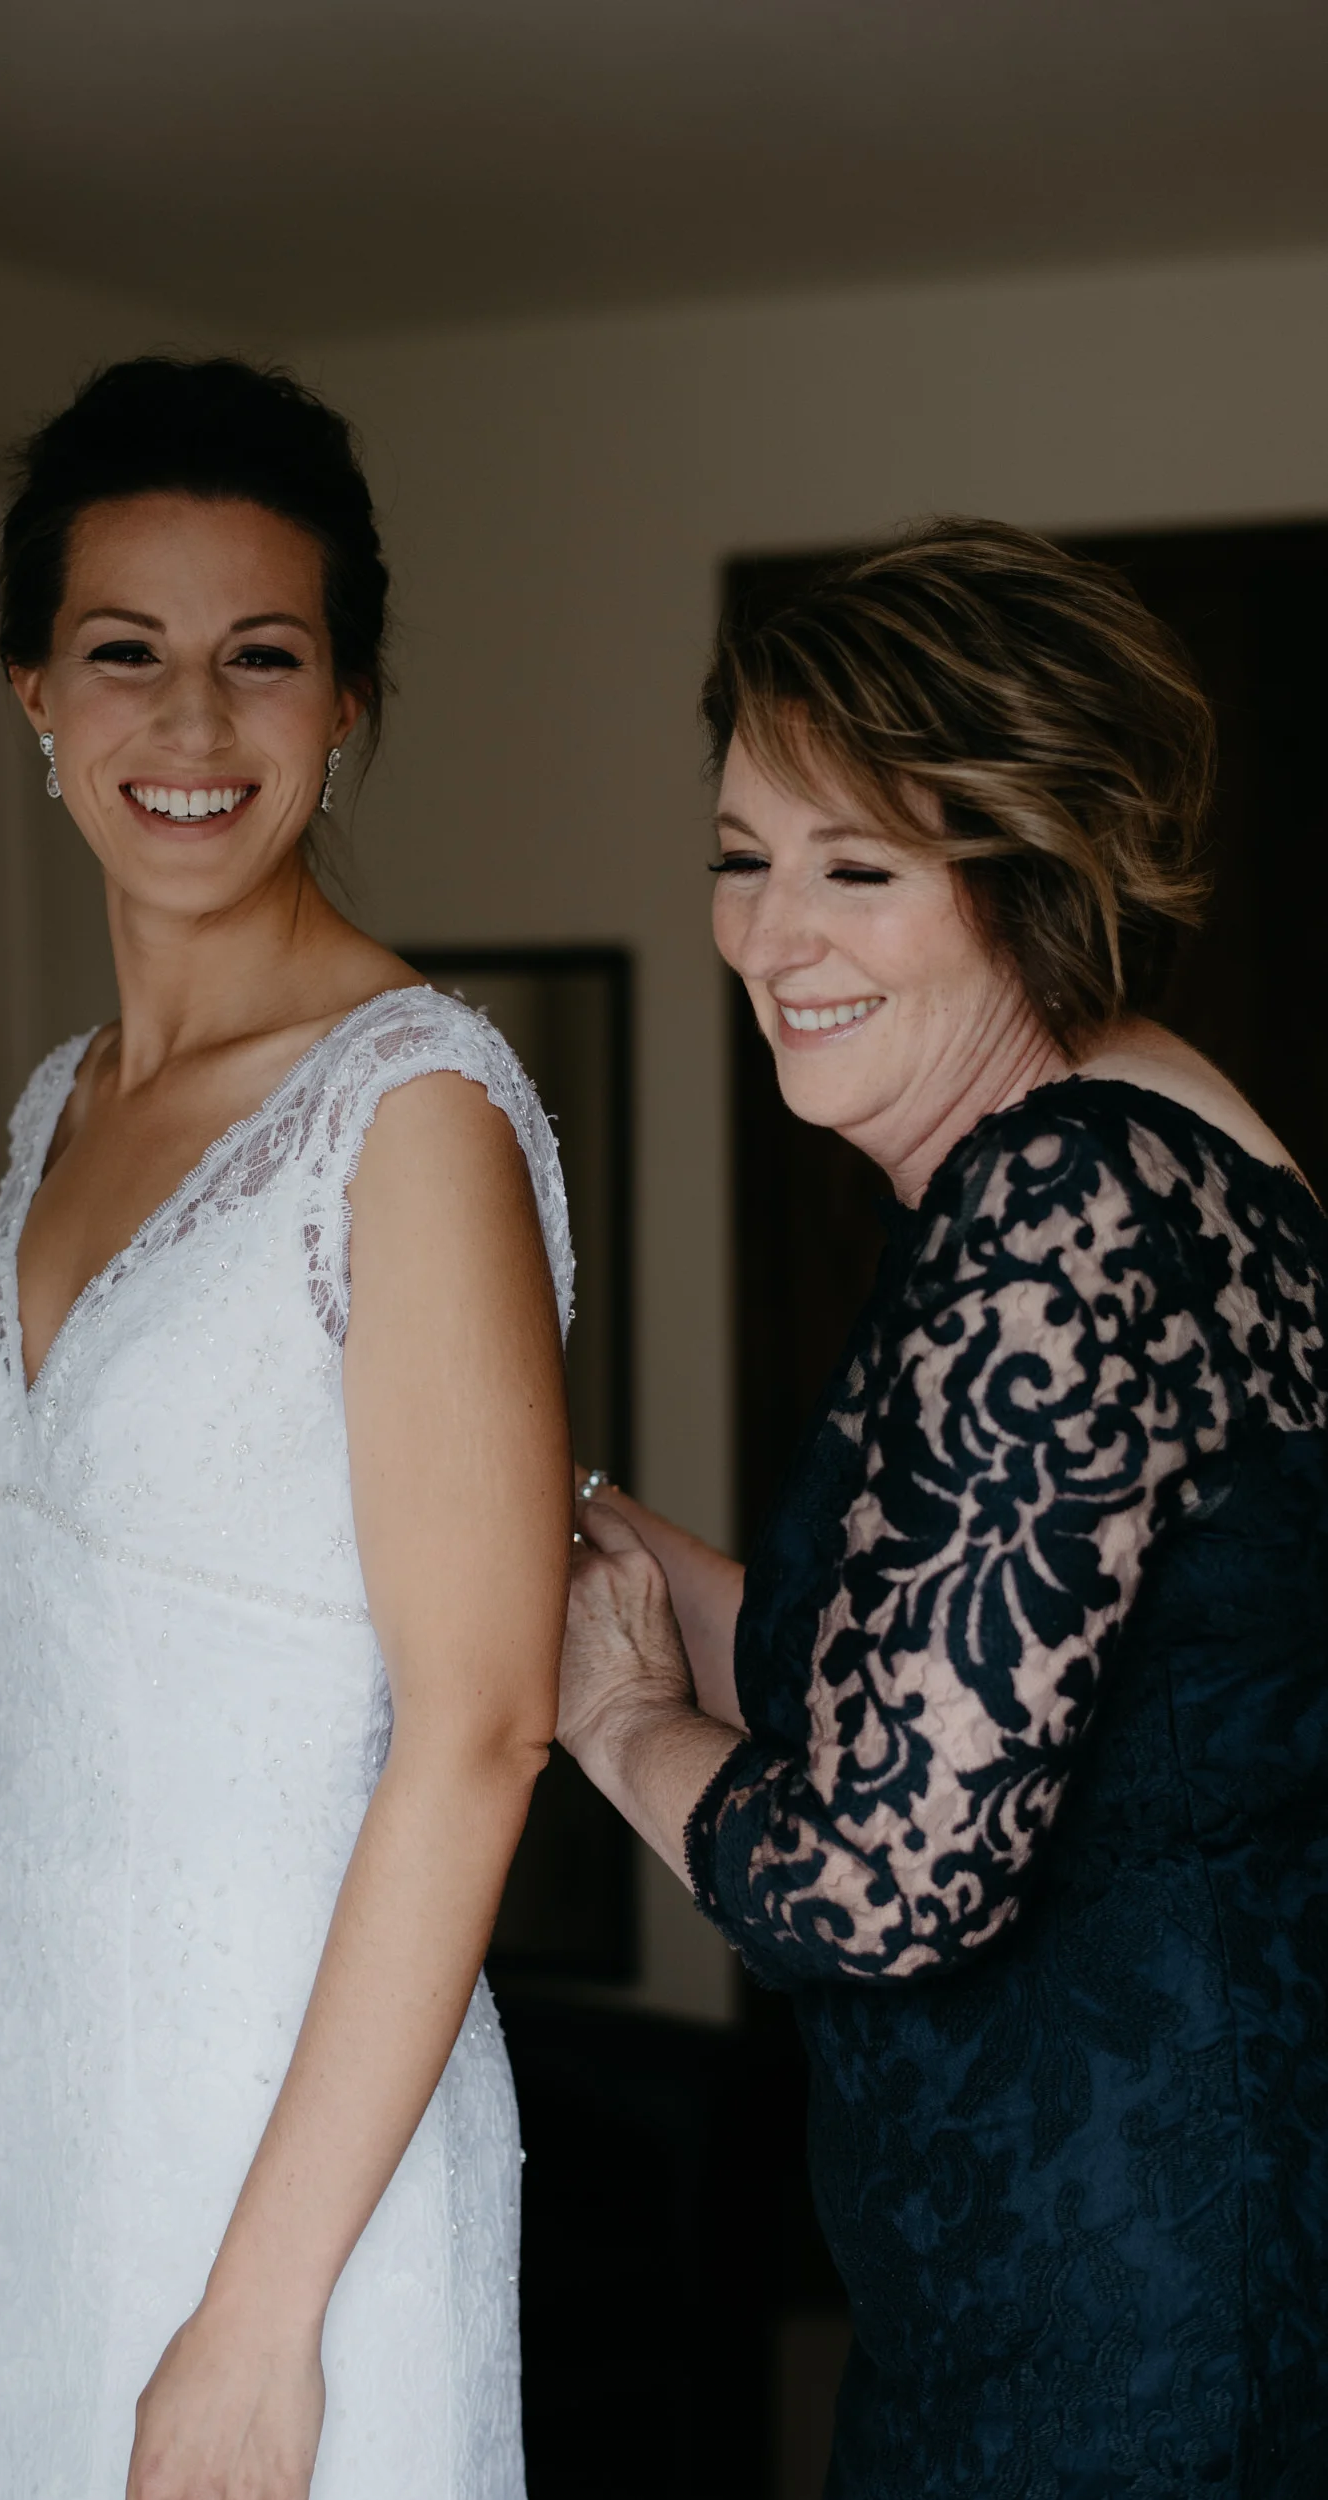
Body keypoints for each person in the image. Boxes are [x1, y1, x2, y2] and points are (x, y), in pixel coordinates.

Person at [0, 356, 574, 2500]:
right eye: (126, 654)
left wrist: (254, 2318)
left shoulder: (406, 1112)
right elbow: (26, 1680)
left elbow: (483, 1724)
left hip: (288, 2155)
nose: (195, 726)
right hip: (30, 2134)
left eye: (266, 659)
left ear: (350, 705)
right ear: (34, 692)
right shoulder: (62, 1103)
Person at [558, 521, 1328, 2498]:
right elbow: (935, 1686)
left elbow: (882, 1873)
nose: (771, 935)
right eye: (745, 853)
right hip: (1138, 2284)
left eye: (859, 866)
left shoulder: (1061, 1199)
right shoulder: (1159, 1144)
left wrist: (621, 1725)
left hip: (1113, 2343)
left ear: (1026, 868)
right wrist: (561, 1517)